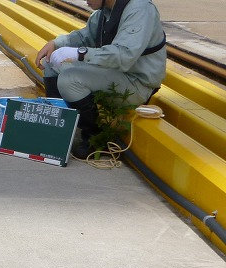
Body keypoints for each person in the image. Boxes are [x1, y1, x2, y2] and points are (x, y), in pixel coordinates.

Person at [34, 0, 166, 158]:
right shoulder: (105, 12)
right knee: (52, 63)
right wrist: (55, 44)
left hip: (136, 84)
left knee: (70, 79)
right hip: (115, 74)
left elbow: (124, 55)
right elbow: (85, 36)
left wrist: (80, 53)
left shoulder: (140, 10)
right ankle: (56, 131)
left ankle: (95, 139)